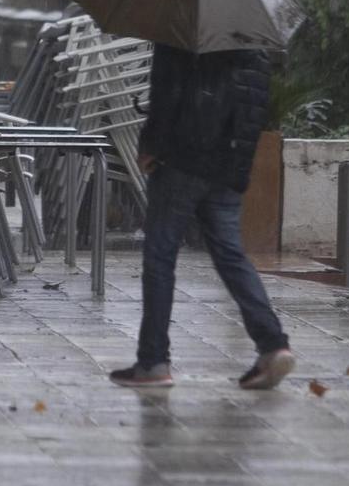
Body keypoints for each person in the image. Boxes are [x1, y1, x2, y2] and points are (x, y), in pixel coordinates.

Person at [109, 42, 295, 391]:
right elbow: (254, 112)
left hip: (183, 161)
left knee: (160, 254)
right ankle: (273, 345)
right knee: (230, 254)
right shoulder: (254, 48)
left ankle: (153, 361)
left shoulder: (182, 35)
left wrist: (150, 145)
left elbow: (167, 93)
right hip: (228, 168)